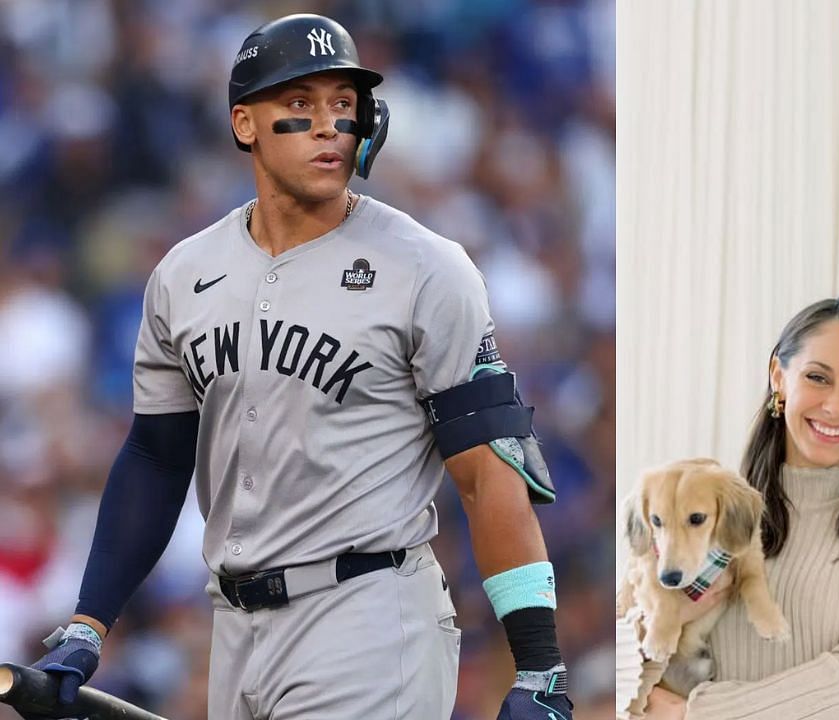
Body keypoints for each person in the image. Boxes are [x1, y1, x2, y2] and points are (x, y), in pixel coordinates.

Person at [25, 14, 573, 720]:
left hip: (370, 616)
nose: (328, 126)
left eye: (343, 106)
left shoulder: (427, 268)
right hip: (233, 627)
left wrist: (538, 665)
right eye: (300, 105)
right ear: (245, 123)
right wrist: (88, 622)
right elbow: (157, 456)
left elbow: (487, 470)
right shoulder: (184, 273)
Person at [618, 296, 839, 719]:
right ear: (778, 377)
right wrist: (669, 619)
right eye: (817, 377)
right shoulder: (710, 507)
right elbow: (619, 644)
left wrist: (692, 714)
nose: (835, 405)